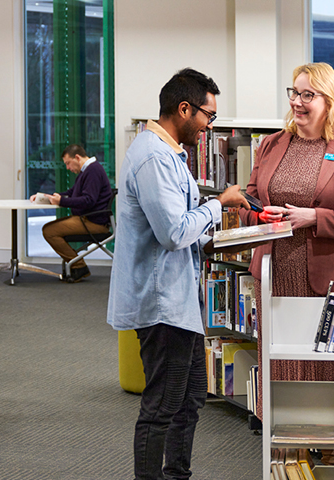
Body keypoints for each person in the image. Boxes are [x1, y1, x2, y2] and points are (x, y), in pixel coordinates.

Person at [107, 68, 250, 480]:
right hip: (161, 304)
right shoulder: (153, 157)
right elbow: (172, 232)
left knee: (189, 400)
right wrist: (218, 204)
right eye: (209, 116)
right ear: (184, 109)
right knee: (161, 407)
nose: (210, 126)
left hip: (178, 300)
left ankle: (177, 475)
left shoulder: (168, 153)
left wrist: (215, 237)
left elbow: (179, 226)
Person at [238, 63, 334, 464]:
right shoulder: (270, 145)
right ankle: (289, 455)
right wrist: (259, 217)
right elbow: (250, 200)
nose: (297, 103)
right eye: (294, 93)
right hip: (275, 274)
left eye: (307, 95)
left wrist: (313, 217)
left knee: (327, 368)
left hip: (328, 279)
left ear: (327, 100)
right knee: (282, 362)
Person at [30, 144, 112, 283]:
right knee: (50, 229)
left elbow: (88, 200)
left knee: (49, 231)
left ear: (77, 157)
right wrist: (48, 197)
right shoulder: (87, 171)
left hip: (93, 222)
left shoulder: (92, 171)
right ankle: (76, 265)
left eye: (68, 163)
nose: (68, 168)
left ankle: (79, 267)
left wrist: (61, 201)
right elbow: (72, 193)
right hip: (88, 219)